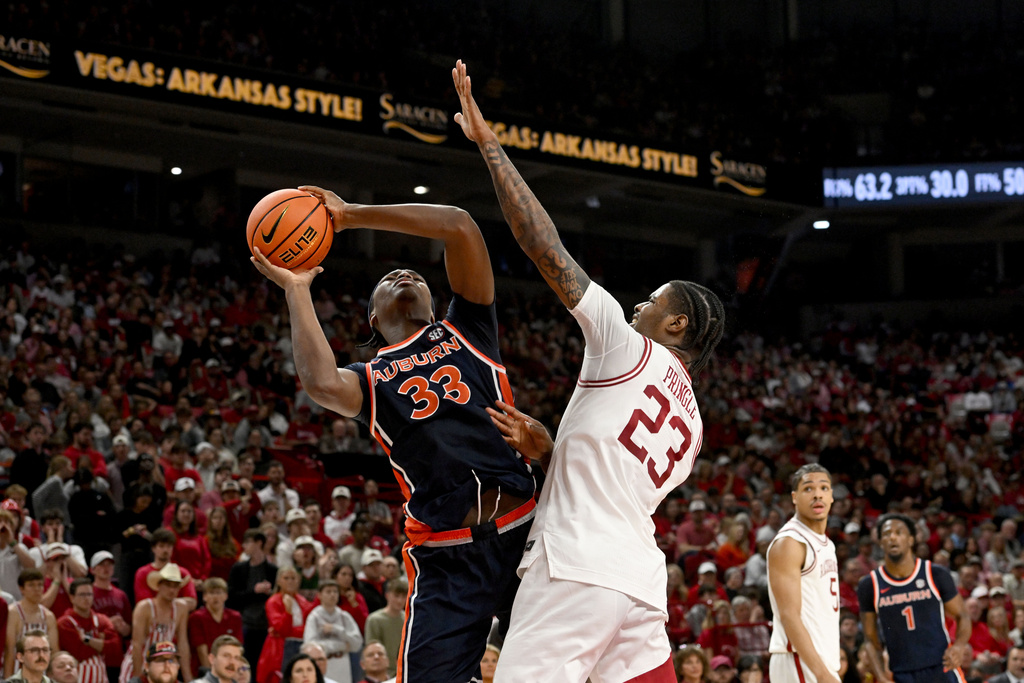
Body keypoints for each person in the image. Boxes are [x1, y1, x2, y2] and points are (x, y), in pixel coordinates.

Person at [453, 61, 724, 683]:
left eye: (654, 301)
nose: (639, 307)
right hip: (638, 586)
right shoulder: (694, 424)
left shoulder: (627, 347)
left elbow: (541, 243)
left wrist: (489, 145)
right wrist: (552, 452)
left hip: (576, 568)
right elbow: (609, 486)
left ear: (677, 324)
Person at [250, 177, 537, 683]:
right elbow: (319, 381)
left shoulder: (468, 328)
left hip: (526, 538)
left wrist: (351, 215)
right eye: (387, 279)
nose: (404, 273)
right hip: (447, 557)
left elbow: (459, 226)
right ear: (373, 318)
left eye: (415, 275)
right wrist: (297, 291)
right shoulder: (371, 381)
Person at [858, 512, 971, 683]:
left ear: (910, 539)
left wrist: (960, 645)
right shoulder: (870, 584)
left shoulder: (935, 574)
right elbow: (870, 640)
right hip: (902, 674)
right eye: (887, 534)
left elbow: (962, 615)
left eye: (898, 532)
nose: (892, 537)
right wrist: (880, 676)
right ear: (880, 542)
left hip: (941, 668)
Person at [766, 464, 841, 683]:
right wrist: (821, 673)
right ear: (794, 497)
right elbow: (789, 614)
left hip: (817, 658)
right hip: (798, 659)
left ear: (832, 496)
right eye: (808, 489)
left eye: (824, 488)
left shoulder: (827, 544)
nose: (818, 494)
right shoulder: (790, 542)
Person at [119, 564, 191, 683]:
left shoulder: (181, 608)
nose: (172, 590)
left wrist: (188, 677)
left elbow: (183, 644)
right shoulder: (144, 608)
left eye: (175, 586)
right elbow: (137, 645)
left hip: (162, 665)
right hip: (139, 663)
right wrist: (138, 678)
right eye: (168, 585)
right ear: (158, 586)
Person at [55, 578, 121, 683]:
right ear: (72, 598)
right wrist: (101, 642)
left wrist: (87, 640)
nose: (86, 598)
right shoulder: (65, 623)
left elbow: (115, 648)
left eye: (89, 594)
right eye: (82, 595)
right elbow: (79, 653)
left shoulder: (101, 619)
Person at [255, 567, 313, 683]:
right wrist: (288, 612)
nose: (290, 581)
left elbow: (310, 627)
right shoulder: (273, 602)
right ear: (279, 581)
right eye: (286, 578)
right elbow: (282, 629)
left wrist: (295, 631)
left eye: (293, 578)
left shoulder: (303, 601)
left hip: (302, 645)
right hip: (280, 649)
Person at [229, 529, 277, 666]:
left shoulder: (273, 570)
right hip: (245, 624)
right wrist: (254, 591)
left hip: (266, 626)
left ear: (259, 543)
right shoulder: (238, 569)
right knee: (244, 664)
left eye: (248, 542)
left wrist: (270, 593)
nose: (244, 546)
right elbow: (232, 598)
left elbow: (278, 596)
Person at [302, 581, 362, 683]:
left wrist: (336, 629)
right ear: (320, 595)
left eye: (335, 592)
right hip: (323, 664)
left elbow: (357, 643)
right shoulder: (314, 617)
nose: (332, 595)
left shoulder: (344, 616)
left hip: (343, 663)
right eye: (328, 591)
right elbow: (310, 646)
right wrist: (342, 645)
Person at [6, 570, 59, 677]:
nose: (36, 589)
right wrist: (7, 678)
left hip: (41, 673)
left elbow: (54, 651)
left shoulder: (48, 616)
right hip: (18, 672)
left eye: (40, 585)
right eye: (31, 585)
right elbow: (10, 650)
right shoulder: (13, 612)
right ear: (21, 589)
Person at [187, 579, 242, 680]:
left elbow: (237, 648)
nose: (216, 597)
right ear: (204, 597)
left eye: (219, 593)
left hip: (228, 671)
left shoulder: (235, 617)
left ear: (226, 596)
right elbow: (202, 652)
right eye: (211, 593)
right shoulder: (197, 617)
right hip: (203, 672)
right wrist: (212, 677)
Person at [132, 529, 198, 611]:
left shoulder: (183, 573)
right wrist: (173, 603)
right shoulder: (142, 573)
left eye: (168, 546)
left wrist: (166, 603)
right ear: (153, 548)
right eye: (161, 546)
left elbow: (192, 602)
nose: (165, 550)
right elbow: (143, 604)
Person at [363, 580, 407, 680]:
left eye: (403, 596)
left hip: (404, 671)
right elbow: (372, 649)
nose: (400, 600)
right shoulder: (375, 619)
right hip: (382, 674)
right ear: (387, 595)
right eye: (396, 596)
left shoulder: (408, 620)